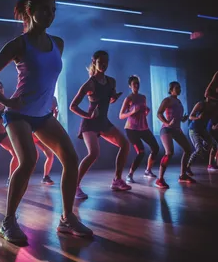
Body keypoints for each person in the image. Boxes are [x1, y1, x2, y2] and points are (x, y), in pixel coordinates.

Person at [0, 0, 93, 243]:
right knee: (28, 160)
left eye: (53, 10)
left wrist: (49, 101)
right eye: (44, 10)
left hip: (43, 114)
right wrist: (6, 101)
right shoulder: (19, 44)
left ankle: (66, 219)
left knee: (71, 159)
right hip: (18, 114)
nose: (50, 15)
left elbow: (45, 79)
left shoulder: (58, 44)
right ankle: (7, 222)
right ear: (31, 12)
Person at [70, 50, 130, 199]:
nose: (103, 64)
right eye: (100, 62)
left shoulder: (111, 82)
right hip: (89, 123)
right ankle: (74, 186)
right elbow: (73, 106)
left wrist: (113, 98)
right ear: (94, 63)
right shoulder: (90, 83)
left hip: (103, 121)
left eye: (106, 62)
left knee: (125, 144)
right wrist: (88, 115)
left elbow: (108, 99)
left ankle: (117, 180)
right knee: (94, 153)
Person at [119, 75, 159, 183]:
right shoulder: (129, 98)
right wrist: (132, 112)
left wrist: (146, 111)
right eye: (134, 84)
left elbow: (143, 113)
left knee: (155, 148)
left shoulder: (143, 97)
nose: (136, 85)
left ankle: (148, 170)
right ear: (130, 86)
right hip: (131, 129)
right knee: (141, 152)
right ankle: (130, 175)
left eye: (137, 83)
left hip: (143, 127)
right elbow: (121, 115)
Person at [156, 81, 195, 189]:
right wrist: (167, 122)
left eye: (180, 87)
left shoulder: (178, 101)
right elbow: (159, 113)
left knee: (188, 149)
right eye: (177, 88)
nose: (179, 89)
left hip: (176, 130)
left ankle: (182, 175)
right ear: (171, 89)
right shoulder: (167, 100)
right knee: (169, 153)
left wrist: (183, 119)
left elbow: (177, 118)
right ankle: (160, 179)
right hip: (166, 129)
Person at [187, 98, 217, 174]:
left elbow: (212, 120)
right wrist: (198, 118)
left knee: (213, 144)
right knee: (198, 150)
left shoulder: (213, 108)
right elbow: (190, 116)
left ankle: (202, 151)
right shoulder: (200, 104)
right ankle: (187, 166)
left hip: (203, 130)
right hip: (193, 129)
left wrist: (214, 126)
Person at [33, 95, 58, 185]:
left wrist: (55, 115)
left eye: (55, 104)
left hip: (41, 136)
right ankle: (20, 177)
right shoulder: (40, 109)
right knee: (32, 157)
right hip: (32, 135)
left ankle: (45, 176)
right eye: (52, 103)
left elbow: (50, 124)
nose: (54, 105)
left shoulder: (51, 112)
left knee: (50, 155)